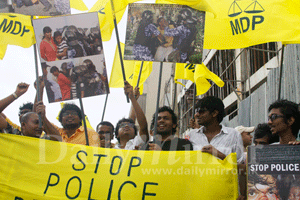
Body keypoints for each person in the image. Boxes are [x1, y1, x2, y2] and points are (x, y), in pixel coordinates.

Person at [188, 96, 244, 163]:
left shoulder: (234, 135)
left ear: (214, 113)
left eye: (201, 111)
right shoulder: (191, 135)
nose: (196, 115)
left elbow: (242, 167)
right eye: (196, 111)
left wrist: (220, 155)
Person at [114, 81, 149, 149]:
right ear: (117, 134)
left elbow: (143, 127)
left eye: (130, 126)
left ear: (136, 134)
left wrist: (132, 99)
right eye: (122, 125)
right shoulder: (110, 149)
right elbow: (131, 120)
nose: (127, 126)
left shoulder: (137, 143)